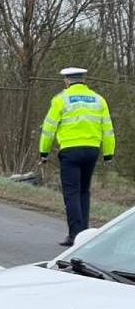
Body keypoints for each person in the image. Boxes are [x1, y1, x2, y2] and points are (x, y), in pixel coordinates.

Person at [39, 67, 116, 246]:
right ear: (83, 80)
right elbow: (108, 129)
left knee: (71, 192)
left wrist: (44, 152)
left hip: (70, 150)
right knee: (84, 191)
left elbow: (49, 128)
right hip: (92, 150)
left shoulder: (60, 100)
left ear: (67, 80)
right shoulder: (99, 100)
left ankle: (75, 235)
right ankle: (85, 236)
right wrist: (108, 154)